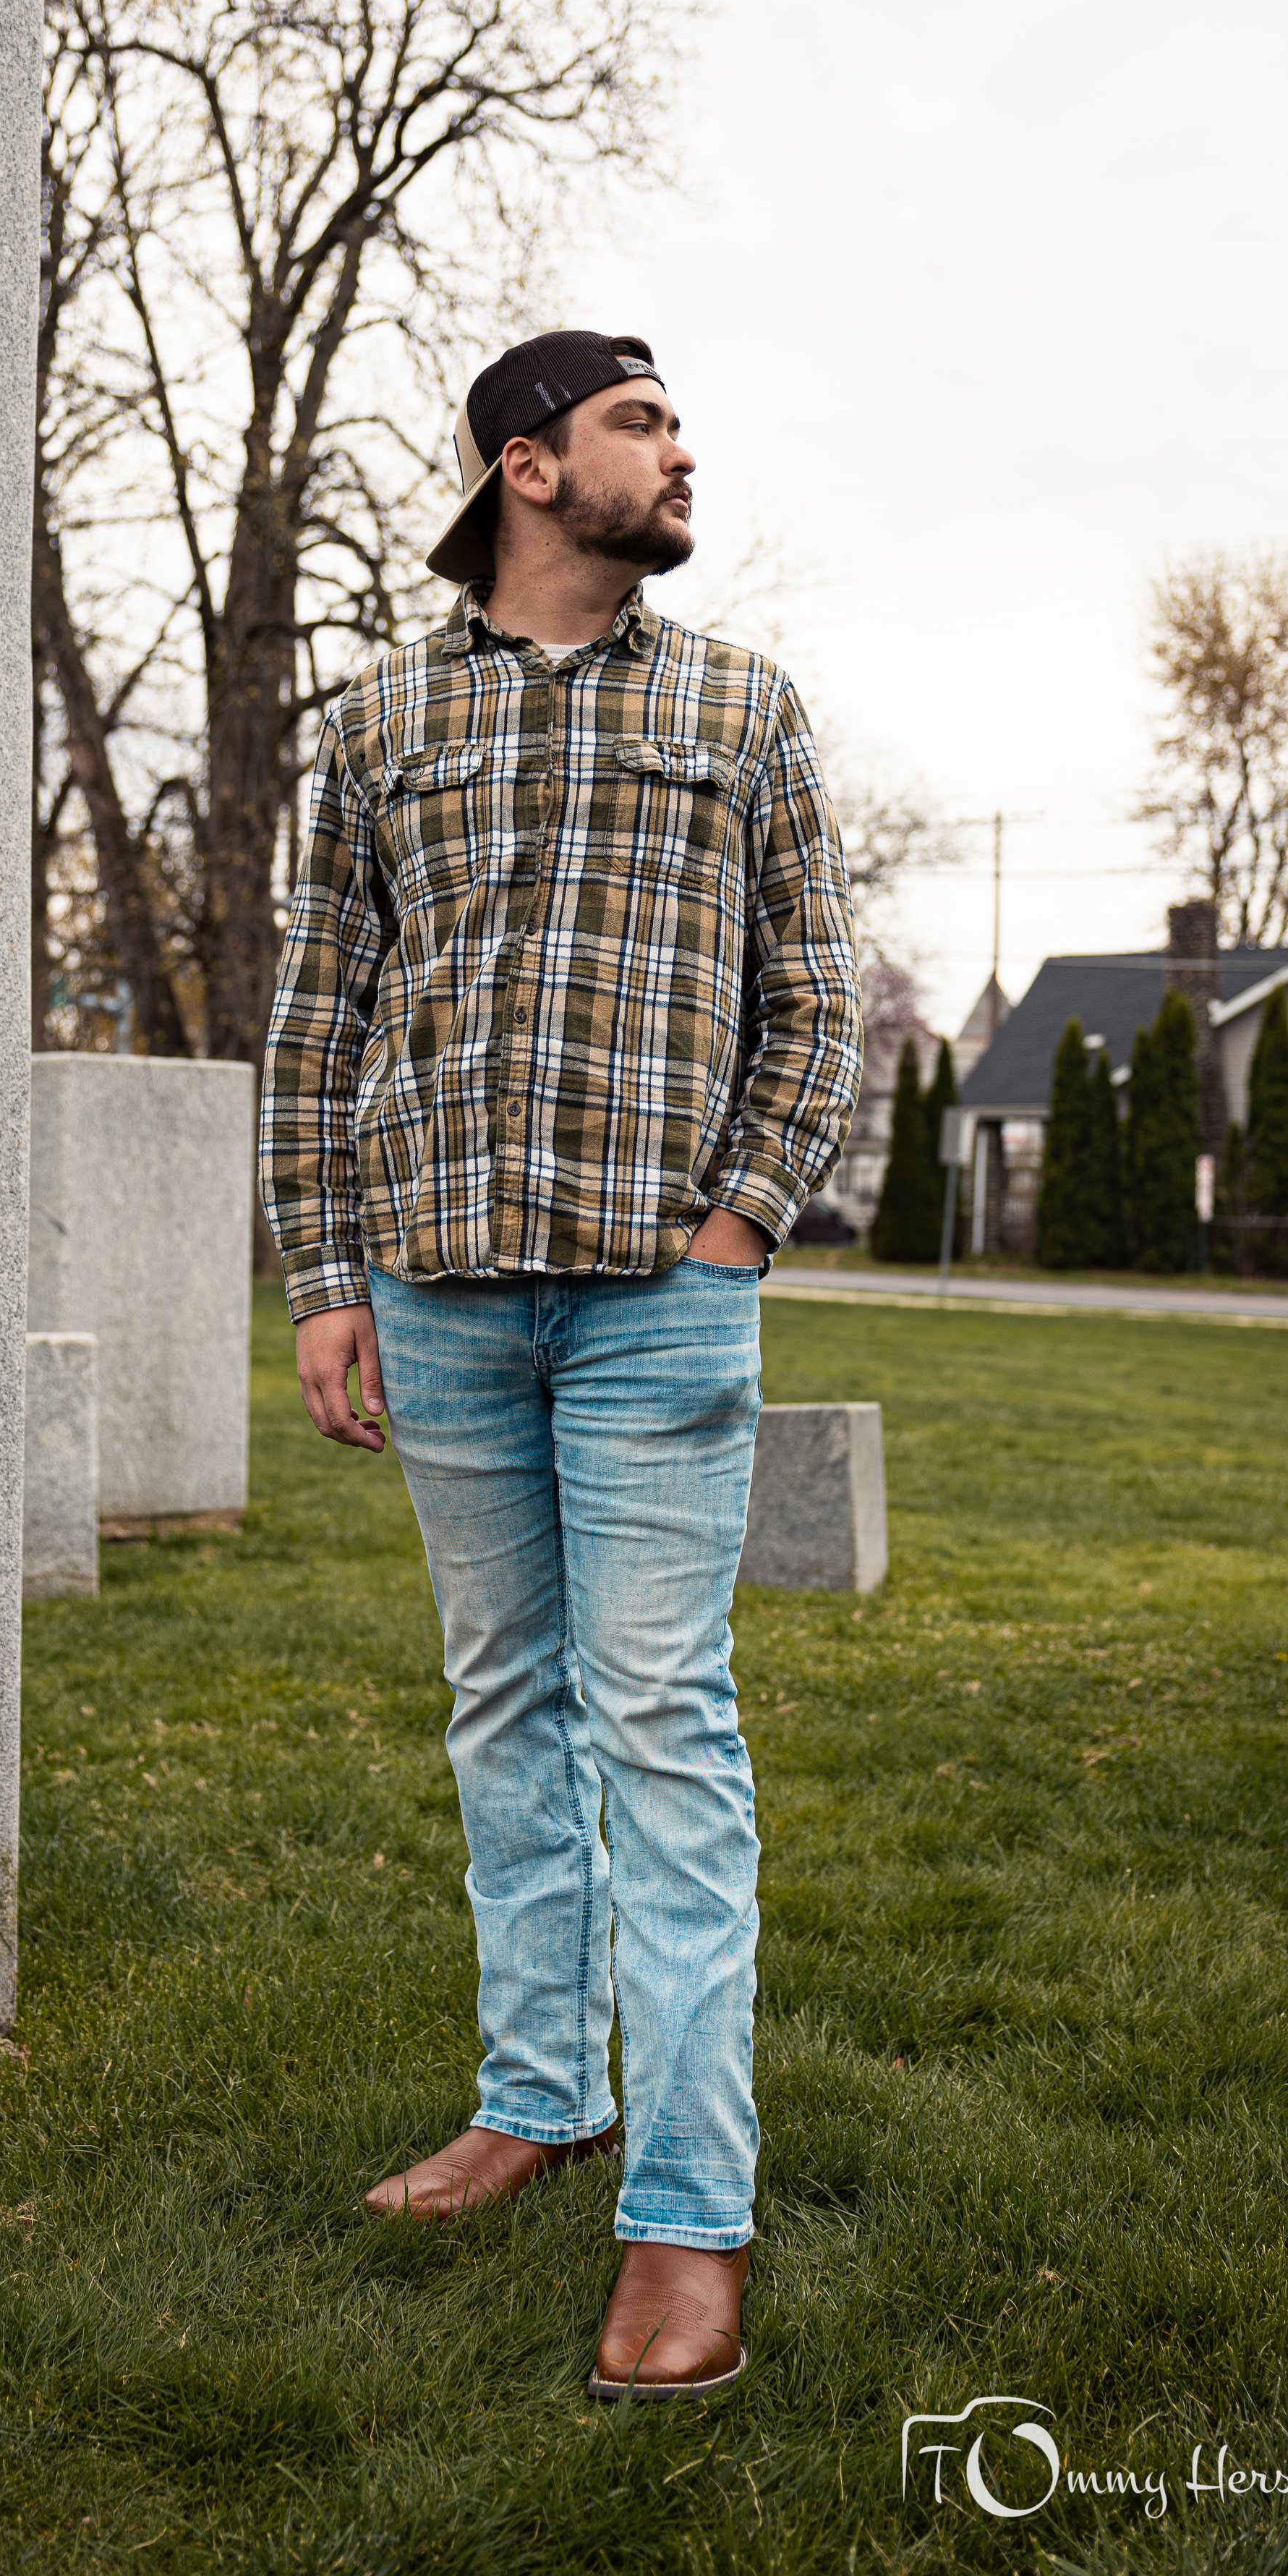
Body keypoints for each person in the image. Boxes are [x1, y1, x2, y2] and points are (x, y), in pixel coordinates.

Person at [261, 329, 861, 2397]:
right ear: (527, 467)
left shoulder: (741, 708)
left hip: (649, 1310)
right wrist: (326, 1275)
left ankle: (687, 2212)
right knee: (502, 1705)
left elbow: (816, 1003)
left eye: (678, 421)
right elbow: (319, 1012)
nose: (680, 455)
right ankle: (540, 2094)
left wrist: (732, 1235)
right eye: (638, 425)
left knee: (661, 1735)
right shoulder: (376, 718)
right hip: (435, 1299)